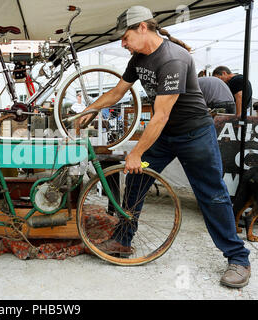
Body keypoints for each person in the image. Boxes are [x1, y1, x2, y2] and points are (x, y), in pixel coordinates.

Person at [78, 5, 251, 288]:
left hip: (194, 135)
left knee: (213, 195)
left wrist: (136, 152)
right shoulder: (138, 58)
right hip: (164, 136)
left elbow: (160, 115)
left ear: (143, 28)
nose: (122, 43)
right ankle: (123, 240)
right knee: (135, 180)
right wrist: (91, 108)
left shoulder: (173, 59)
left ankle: (238, 258)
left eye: (125, 37)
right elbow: (118, 92)